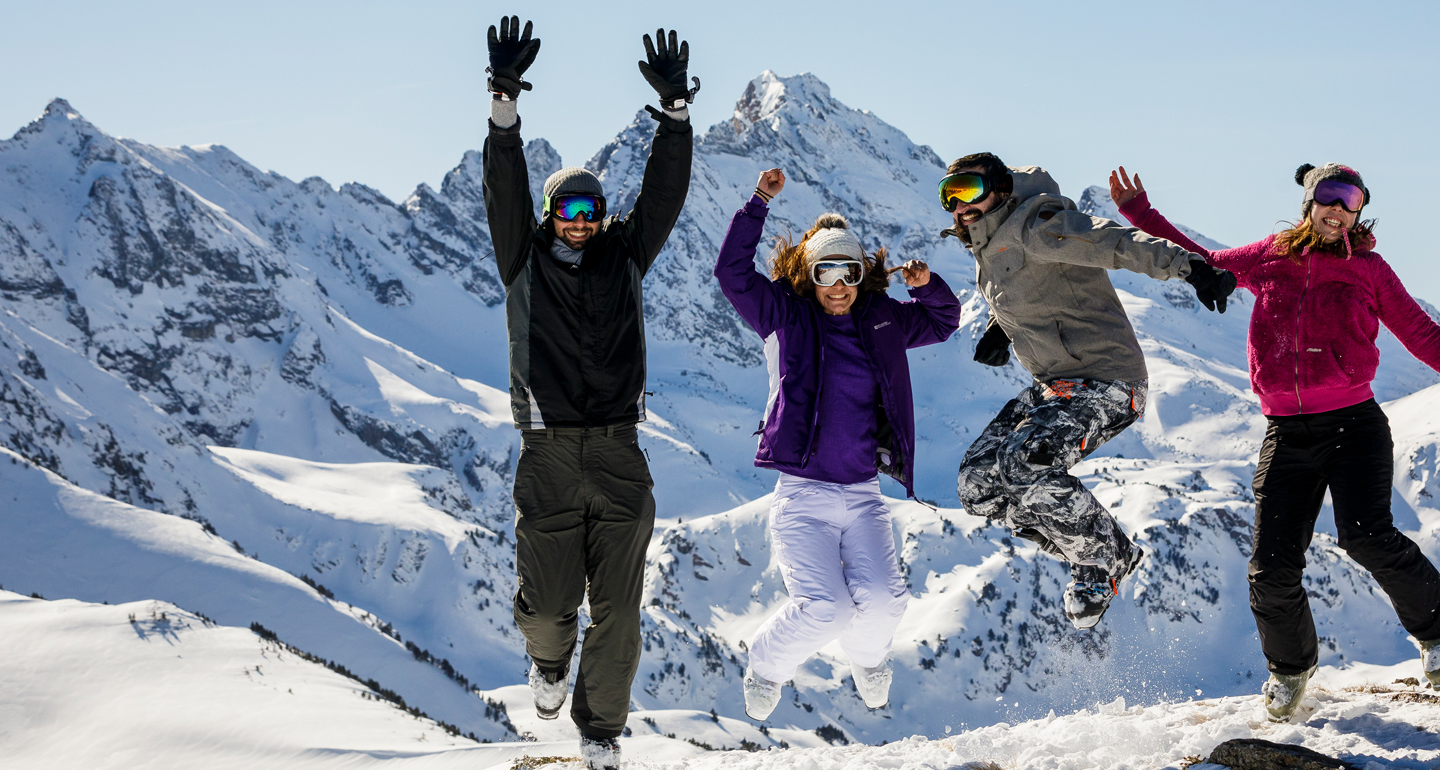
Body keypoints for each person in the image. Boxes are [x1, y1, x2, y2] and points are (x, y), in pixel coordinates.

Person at [1108, 162, 1440, 721]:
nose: (1339, 209)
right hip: (1286, 432)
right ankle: (1291, 673)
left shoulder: (1369, 269)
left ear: (1359, 211)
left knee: (1366, 535)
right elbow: (1203, 265)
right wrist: (1141, 215)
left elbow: (1424, 336)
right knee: (1271, 565)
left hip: (1354, 425)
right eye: (1330, 197)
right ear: (1310, 200)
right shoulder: (1270, 257)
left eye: (1351, 201)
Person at [481, 16, 697, 769]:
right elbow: (502, 183)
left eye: (592, 210)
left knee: (622, 613)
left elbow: (663, 195)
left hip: (618, 453)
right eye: (568, 211)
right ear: (547, 217)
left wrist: (675, 116)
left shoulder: (625, 258)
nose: (581, 223)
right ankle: (547, 664)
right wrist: (504, 103)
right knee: (546, 609)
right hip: (544, 454)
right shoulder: (521, 260)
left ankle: (600, 732)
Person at [943, 153, 1238, 629]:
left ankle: (1104, 558)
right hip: (1055, 384)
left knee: (1027, 464)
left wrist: (1190, 267)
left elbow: (1114, 243)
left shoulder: (1037, 224)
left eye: (969, 190)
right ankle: (1089, 549)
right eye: (949, 196)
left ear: (998, 187)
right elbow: (1035, 286)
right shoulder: (989, 244)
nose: (960, 206)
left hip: (1108, 380)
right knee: (977, 485)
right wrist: (1003, 327)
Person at [715, 168, 961, 720]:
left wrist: (926, 287)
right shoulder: (786, 314)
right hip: (803, 497)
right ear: (810, 274)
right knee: (825, 608)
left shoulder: (882, 320)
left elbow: (944, 321)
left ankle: (868, 660)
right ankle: (767, 665)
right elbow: (732, 274)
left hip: (863, 494)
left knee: (886, 601)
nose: (839, 282)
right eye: (825, 270)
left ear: (859, 274)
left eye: (848, 270)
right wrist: (757, 202)